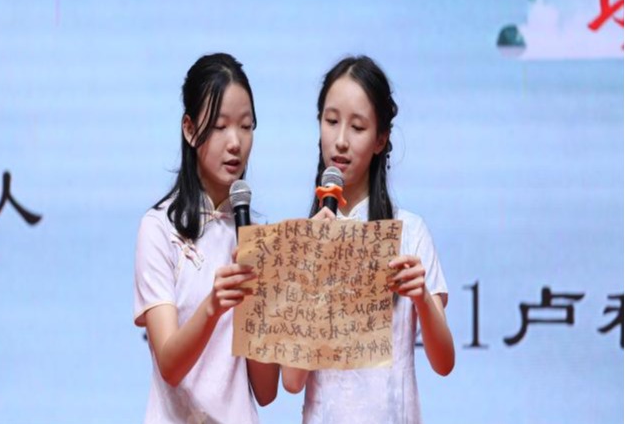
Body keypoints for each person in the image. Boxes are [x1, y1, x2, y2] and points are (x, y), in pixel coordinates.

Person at [282, 55, 454, 423]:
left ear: (380, 139)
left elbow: (443, 362)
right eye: (331, 122)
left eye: (357, 127)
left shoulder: (409, 231)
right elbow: (292, 381)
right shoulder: (303, 241)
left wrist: (422, 298)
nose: (341, 140)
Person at [133, 53, 279, 423]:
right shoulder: (159, 229)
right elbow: (169, 364)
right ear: (189, 128)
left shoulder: (257, 239)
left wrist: (259, 304)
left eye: (246, 127)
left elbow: (266, 391)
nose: (235, 143)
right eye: (219, 126)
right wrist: (213, 306)